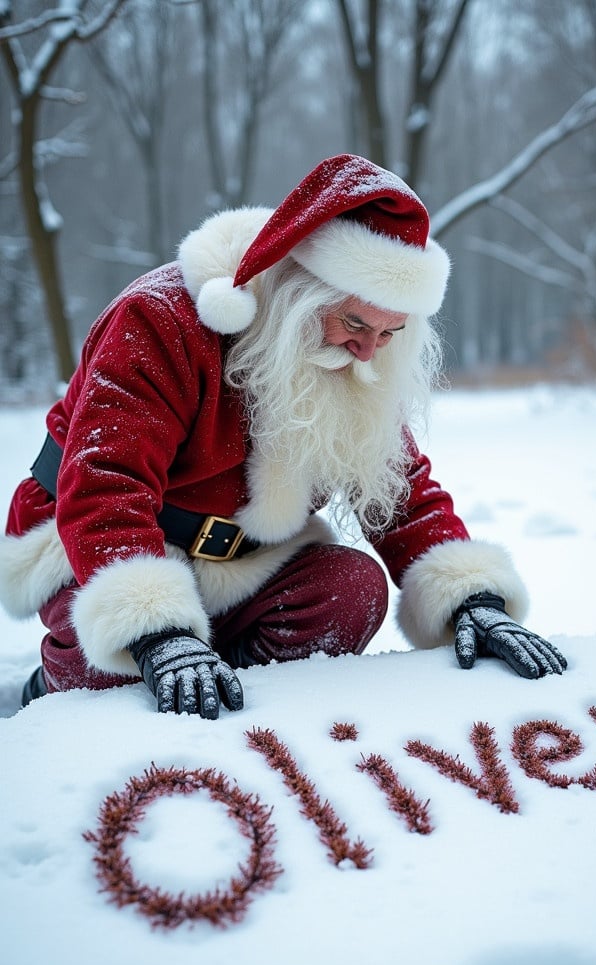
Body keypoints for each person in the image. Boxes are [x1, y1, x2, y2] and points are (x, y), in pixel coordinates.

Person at [0, 154, 566, 719]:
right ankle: (54, 689)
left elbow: (398, 490)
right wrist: (157, 632)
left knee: (350, 591)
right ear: (301, 294)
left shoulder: (350, 357)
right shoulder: (160, 318)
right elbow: (106, 481)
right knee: (108, 681)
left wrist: (472, 598)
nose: (369, 350)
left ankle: (238, 712)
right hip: (93, 538)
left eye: (391, 333)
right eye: (356, 325)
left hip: (249, 557)